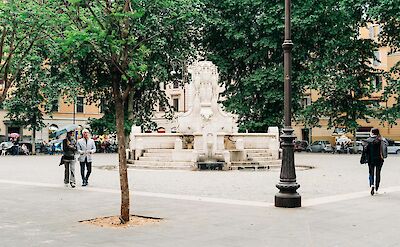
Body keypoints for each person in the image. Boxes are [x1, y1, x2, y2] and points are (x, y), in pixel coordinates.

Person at [365, 128, 388, 196]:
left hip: (371, 160)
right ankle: (377, 188)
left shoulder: (368, 140)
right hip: (379, 159)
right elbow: (386, 145)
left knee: (371, 172)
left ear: (372, 133)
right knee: (378, 173)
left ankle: (372, 185)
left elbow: (365, 150)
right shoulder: (381, 140)